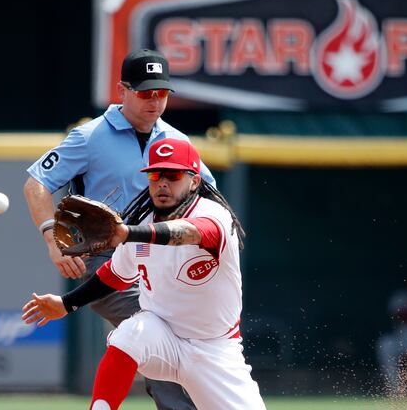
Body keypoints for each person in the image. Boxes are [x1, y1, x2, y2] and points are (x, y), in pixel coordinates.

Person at [23, 49, 214, 410]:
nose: (154, 100)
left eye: (161, 93)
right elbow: (36, 183)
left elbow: (209, 199)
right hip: (105, 260)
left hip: (161, 264)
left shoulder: (177, 142)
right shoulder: (89, 136)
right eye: (144, 92)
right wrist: (51, 238)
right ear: (122, 90)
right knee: (156, 325)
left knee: (180, 335)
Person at [22, 138, 265, 410]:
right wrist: (67, 304)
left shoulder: (214, 215)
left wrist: (128, 233)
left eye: (173, 175)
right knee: (132, 332)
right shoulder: (142, 222)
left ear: (194, 181)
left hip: (214, 350)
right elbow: (114, 275)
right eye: (155, 174)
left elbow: (190, 232)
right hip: (161, 336)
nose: (162, 183)